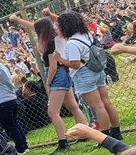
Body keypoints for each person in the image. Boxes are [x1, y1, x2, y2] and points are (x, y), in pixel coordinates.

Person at [11, 14, 86, 154]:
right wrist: (17, 20)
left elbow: (53, 67)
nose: (36, 33)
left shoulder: (51, 43)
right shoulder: (55, 38)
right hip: (63, 73)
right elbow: (33, 26)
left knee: (52, 112)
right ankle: (84, 134)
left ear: (42, 31)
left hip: (56, 75)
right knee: (73, 106)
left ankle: (63, 141)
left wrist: (48, 83)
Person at [51, 9, 122, 140]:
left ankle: (105, 137)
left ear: (65, 27)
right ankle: (116, 131)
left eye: (58, 26)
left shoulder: (71, 43)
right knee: (106, 102)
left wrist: (59, 59)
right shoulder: (86, 34)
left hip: (84, 74)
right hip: (97, 70)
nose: (57, 29)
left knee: (97, 106)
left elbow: (75, 64)